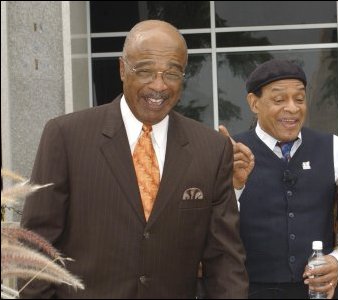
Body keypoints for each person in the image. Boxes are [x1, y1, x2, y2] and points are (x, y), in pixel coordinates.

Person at [19, 20, 249, 299]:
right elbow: (36, 248)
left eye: (172, 73)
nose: (159, 85)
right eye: (145, 71)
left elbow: (224, 261)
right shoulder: (67, 137)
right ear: (122, 69)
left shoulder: (211, 149)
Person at [229, 59, 338, 299]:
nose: (293, 108)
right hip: (250, 291)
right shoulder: (231, 153)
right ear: (254, 103)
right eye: (279, 99)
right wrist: (235, 186)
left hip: (319, 293)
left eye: (300, 98)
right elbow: (214, 228)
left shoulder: (334, 149)